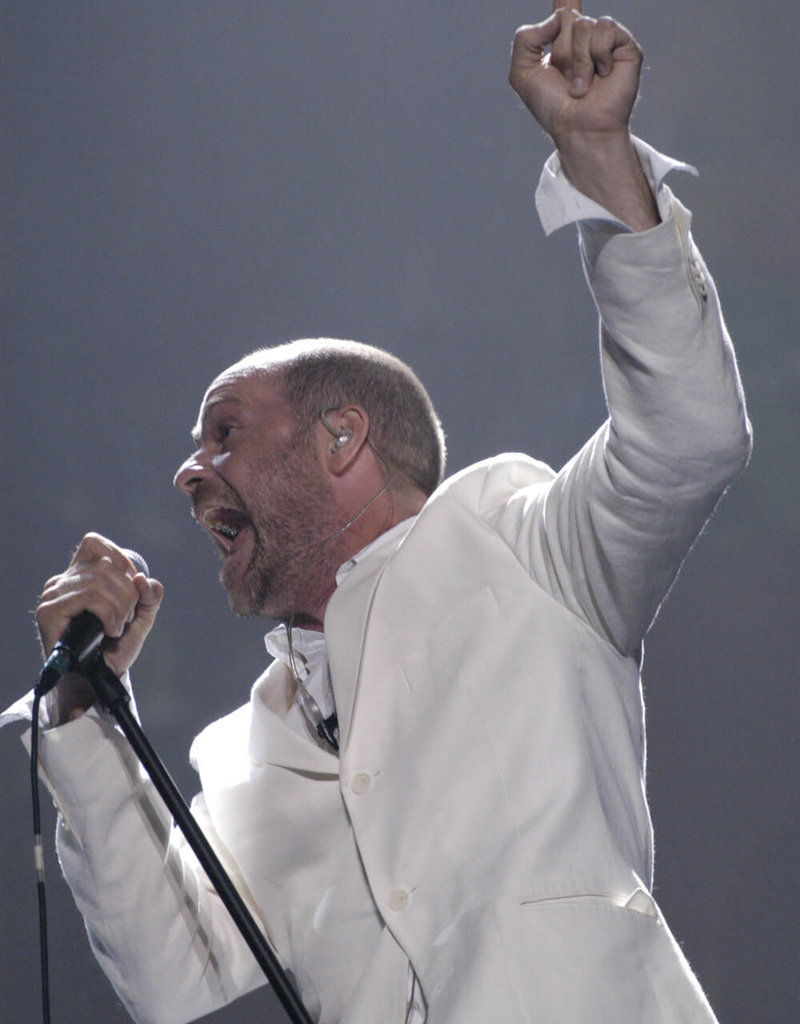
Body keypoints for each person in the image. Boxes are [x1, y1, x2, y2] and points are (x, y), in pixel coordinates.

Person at [20, 2, 751, 1022]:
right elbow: (165, 974)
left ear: (339, 441)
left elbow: (688, 434)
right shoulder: (253, 742)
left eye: (224, 432)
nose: (190, 473)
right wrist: (86, 710)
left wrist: (597, 157)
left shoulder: (522, 547)